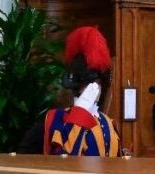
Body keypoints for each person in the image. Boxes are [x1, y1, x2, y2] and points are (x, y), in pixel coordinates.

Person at [39, 25, 121, 157]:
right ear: (76, 84)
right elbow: (63, 161)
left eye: (98, 83)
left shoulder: (108, 122)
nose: (94, 89)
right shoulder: (57, 118)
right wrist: (80, 113)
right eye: (88, 84)